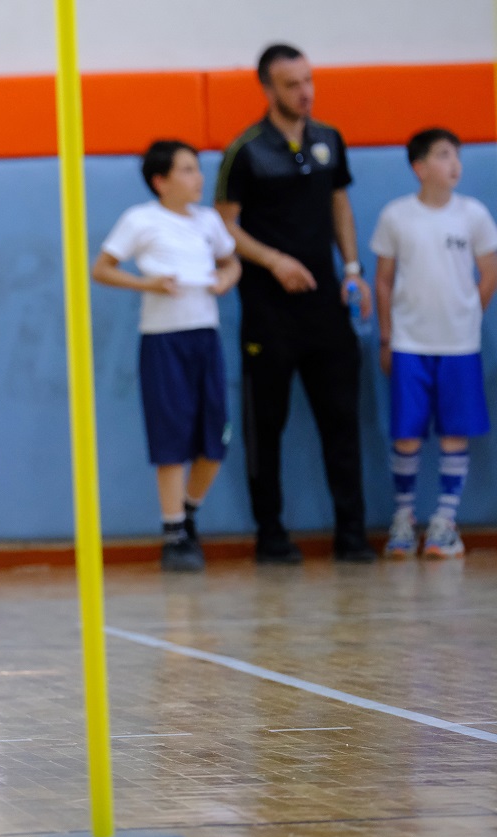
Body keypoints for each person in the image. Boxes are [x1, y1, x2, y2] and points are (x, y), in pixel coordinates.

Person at [214, 43, 376, 565]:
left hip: (326, 307)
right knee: (269, 424)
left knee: (342, 420)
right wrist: (274, 260)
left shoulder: (329, 139)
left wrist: (352, 270)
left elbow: (339, 204)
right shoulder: (246, 150)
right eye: (291, 84)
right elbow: (224, 225)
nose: (304, 92)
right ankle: (271, 535)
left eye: (308, 81)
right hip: (269, 312)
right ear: (267, 89)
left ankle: (352, 536)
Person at [92, 140, 241, 572]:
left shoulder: (209, 221)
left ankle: (189, 511)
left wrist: (226, 278)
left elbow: (232, 263)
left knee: (215, 440)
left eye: (197, 169)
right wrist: (149, 285)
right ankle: (173, 531)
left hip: (204, 338)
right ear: (161, 180)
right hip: (163, 340)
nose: (198, 178)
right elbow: (102, 268)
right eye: (187, 170)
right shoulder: (140, 220)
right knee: (171, 437)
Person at [370, 128, 497, 559]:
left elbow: (489, 273)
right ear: (419, 167)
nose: (454, 164)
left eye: (457, 155)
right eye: (443, 155)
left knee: (454, 432)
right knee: (406, 433)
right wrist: (387, 338)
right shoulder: (396, 216)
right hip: (409, 342)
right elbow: (383, 281)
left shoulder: (474, 215)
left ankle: (444, 521)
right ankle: (404, 519)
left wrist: (468, 315)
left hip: (459, 345)